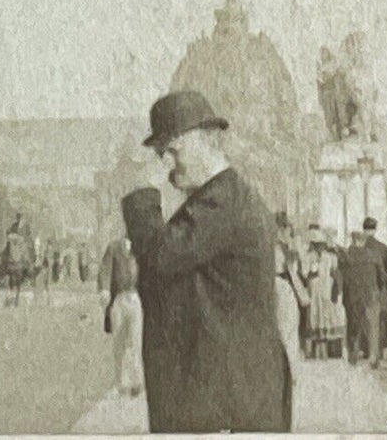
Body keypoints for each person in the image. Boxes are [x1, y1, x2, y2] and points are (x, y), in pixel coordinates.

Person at [122, 89, 292, 433]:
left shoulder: (222, 203)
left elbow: (157, 259)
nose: (166, 165)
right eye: (160, 154)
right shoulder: (217, 200)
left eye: (173, 150)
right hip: (222, 399)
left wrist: (144, 194)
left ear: (210, 140)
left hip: (224, 406)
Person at [341, 217, 387, 368]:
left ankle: (353, 355)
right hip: (372, 294)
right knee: (373, 327)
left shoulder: (348, 254)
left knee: (354, 325)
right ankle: (374, 357)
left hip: (353, 296)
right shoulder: (378, 252)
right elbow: (383, 276)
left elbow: (342, 276)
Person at [98, 232, 144, 398]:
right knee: (119, 343)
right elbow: (105, 270)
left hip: (135, 298)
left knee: (135, 341)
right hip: (119, 299)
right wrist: (104, 289)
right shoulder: (114, 248)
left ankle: (136, 381)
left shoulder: (140, 249)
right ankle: (120, 382)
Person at [302, 230, 344, 360]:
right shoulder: (308, 257)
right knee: (314, 317)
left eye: (322, 245)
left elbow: (335, 274)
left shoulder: (331, 258)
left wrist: (336, 292)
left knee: (325, 318)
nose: (319, 247)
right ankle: (315, 350)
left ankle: (325, 350)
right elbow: (305, 274)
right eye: (317, 245)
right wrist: (312, 272)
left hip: (326, 291)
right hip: (314, 292)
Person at [273, 213, 308, 368]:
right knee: (288, 328)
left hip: (271, 287)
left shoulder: (267, 246)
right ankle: (289, 367)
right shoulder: (284, 250)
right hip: (283, 287)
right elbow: (295, 273)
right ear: (282, 229)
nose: (290, 233)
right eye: (288, 230)